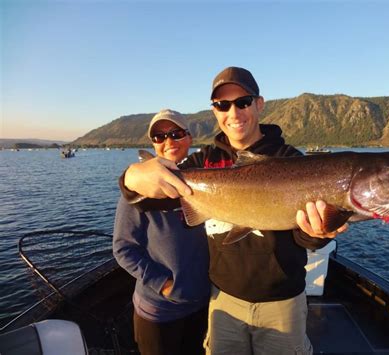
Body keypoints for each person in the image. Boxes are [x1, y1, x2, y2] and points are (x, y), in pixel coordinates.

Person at [120, 67, 347, 354]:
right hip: (223, 300)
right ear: (214, 111)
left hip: (282, 302)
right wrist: (131, 177)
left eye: (243, 102)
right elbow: (145, 198)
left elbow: (307, 239)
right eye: (222, 105)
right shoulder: (202, 163)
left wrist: (319, 234)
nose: (234, 113)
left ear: (259, 104)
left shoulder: (293, 163)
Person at [113, 109, 210, 355]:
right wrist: (163, 284)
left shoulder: (206, 182)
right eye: (159, 137)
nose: (169, 142)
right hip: (159, 311)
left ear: (190, 138)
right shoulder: (139, 190)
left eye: (176, 134)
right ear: (153, 144)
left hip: (201, 304)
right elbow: (123, 248)